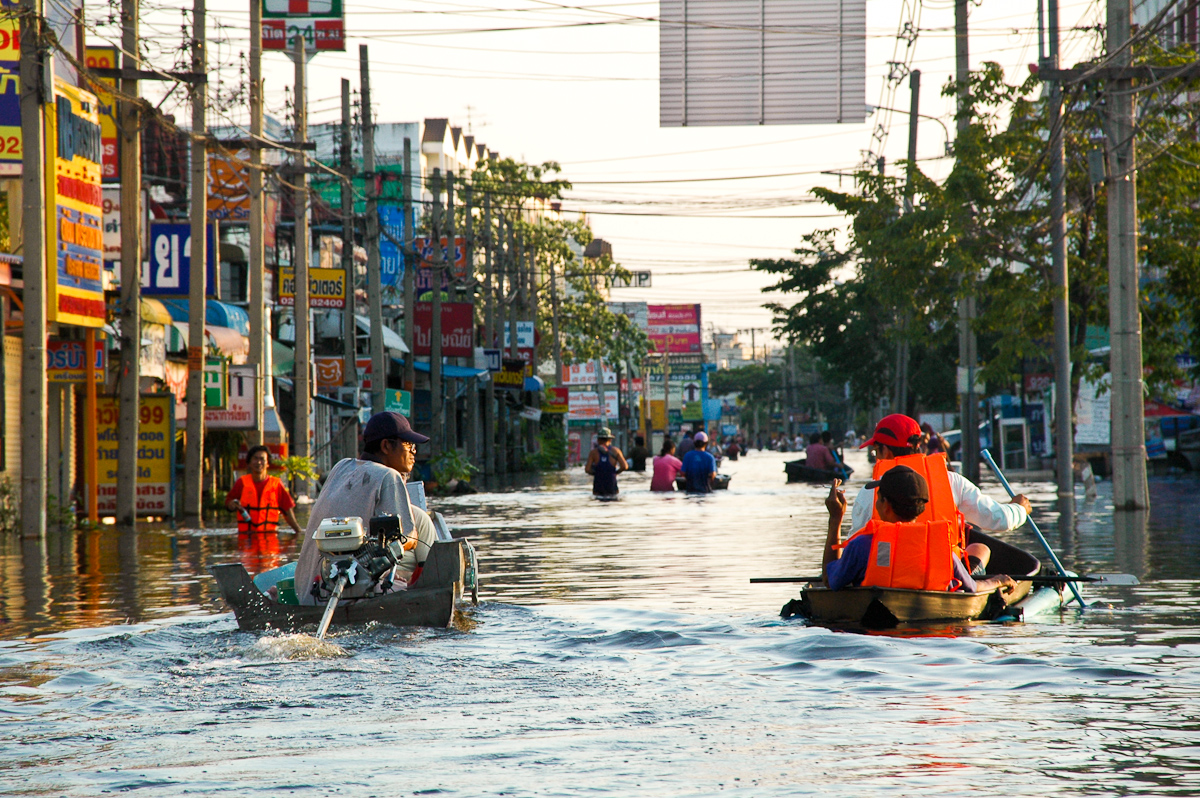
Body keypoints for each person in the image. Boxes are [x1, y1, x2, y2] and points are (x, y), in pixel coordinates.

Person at [293, 412, 438, 605]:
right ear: (386, 446)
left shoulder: (341, 466)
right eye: (408, 445)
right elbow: (407, 539)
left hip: (308, 594)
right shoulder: (389, 476)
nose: (414, 452)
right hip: (351, 596)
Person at [822, 469, 1018, 595]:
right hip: (931, 632)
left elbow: (830, 582)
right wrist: (998, 580)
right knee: (981, 550)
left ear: (886, 505)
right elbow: (973, 588)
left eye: (879, 498)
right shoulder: (942, 552)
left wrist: (835, 520)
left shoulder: (862, 546)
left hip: (874, 630)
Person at [850, 413, 1032, 538]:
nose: (876, 458)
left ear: (887, 452)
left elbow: (854, 544)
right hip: (943, 581)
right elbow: (998, 519)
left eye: (876, 452)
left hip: (884, 581)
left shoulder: (869, 493)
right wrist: (1020, 508)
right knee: (981, 549)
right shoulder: (952, 481)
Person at [225, 445, 303, 535]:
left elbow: (287, 511)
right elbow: (228, 502)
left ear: (268, 463)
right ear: (249, 463)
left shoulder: (276, 484)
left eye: (262, 459)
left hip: (271, 538)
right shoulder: (241, 483)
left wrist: (298, 531)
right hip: (246, 538)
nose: (258, 462)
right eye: (255, 459)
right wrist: (231, 505)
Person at [585, 427, 628, 496]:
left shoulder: (593, 453)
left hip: (598, 486)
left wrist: (597, 474)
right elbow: (624, 466)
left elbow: (587, 469)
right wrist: (615, 472)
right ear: (610, 440)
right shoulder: (616, 451)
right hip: (611, 484)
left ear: (598, 440)